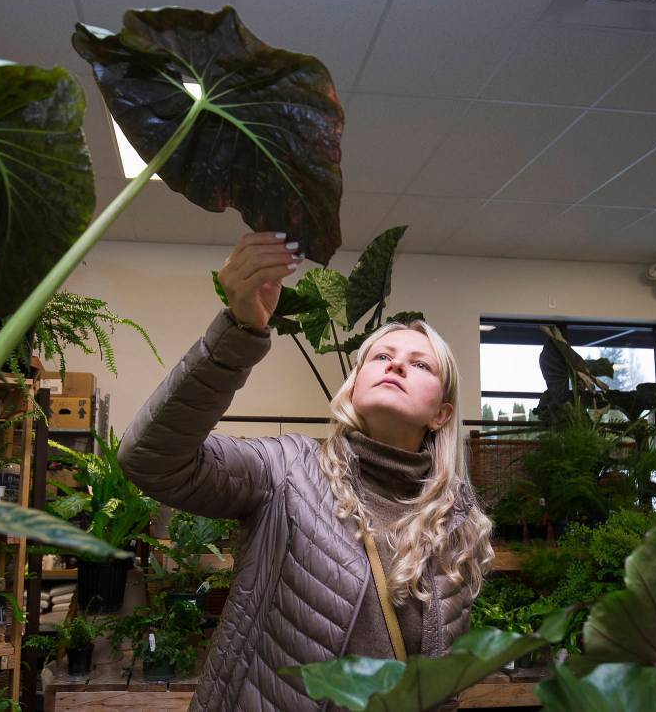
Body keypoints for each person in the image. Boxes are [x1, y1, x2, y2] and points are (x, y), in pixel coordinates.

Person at [118, 231, 495, 712]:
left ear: (440, 414)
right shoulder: (287, 470)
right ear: (354, 384)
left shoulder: (455, 520)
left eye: (419, 364)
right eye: (381, 356)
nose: (396, 366)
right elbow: (152, 459)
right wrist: (237, 332)